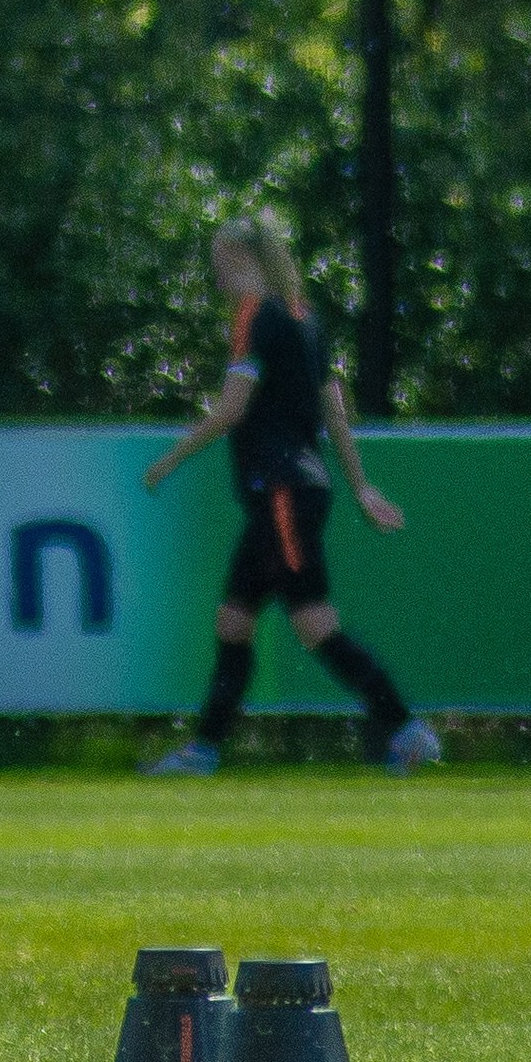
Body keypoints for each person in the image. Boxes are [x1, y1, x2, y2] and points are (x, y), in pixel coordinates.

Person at [141, 210, 441, 775]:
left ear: (243, 259)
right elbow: (334, 410)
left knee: (312, 622)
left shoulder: (254, 314)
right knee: (234, 620)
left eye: (219, 262)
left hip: (281, 491)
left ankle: (407, 729)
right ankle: (202, 751)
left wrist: (171, 459)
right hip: (294, 490)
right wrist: (358, 486)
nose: (216, 274)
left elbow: (232, 408)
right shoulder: (305, 318)